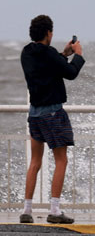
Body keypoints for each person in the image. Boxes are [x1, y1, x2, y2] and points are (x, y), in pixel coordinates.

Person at [19, 15, 85, 224]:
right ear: (49, 33)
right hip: (54, 114)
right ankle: (54, 209)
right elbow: (71, 73)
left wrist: (63, 54)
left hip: (35, 114)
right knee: (61, 160)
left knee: (35, 162)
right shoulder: (48, 54)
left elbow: (49, 63)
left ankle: (26, 210)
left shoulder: (27, 52)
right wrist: (78, 55)